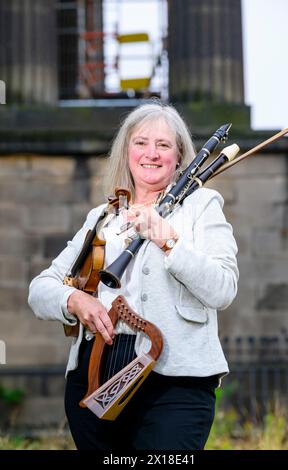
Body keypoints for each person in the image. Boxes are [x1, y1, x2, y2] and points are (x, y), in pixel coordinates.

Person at [28, 100, 238, 451]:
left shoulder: (202, 206)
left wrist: (167, 239)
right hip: (94, 379)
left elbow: (223, 288)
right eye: (141, 143)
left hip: (175, 383)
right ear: (126, 152)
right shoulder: (104, 216)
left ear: (179, 156)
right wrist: (74, 299)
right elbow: (40, 289)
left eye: (164, 145)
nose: (151, 154)